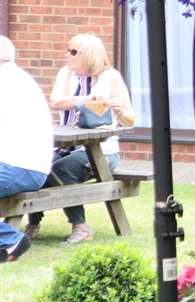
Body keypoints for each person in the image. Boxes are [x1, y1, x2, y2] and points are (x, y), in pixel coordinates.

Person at [28, 33, 136, 244]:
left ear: (89, 54)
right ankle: (33, 224)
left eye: (73, 52)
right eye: (68, 50)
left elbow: (130, 119)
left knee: (61, 170)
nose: (67, 55)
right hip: (67, 147)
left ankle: (81, 227)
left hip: (102, 151)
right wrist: (87, 100)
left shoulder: (110, 77)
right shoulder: (66, 74)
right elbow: (56, 101)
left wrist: (119, 109)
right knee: (38, 167)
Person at [0, 37, 53, 262]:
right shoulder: (19, 78)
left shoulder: (6, 82)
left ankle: (9, 239)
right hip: (28, 165)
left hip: (17, 166)